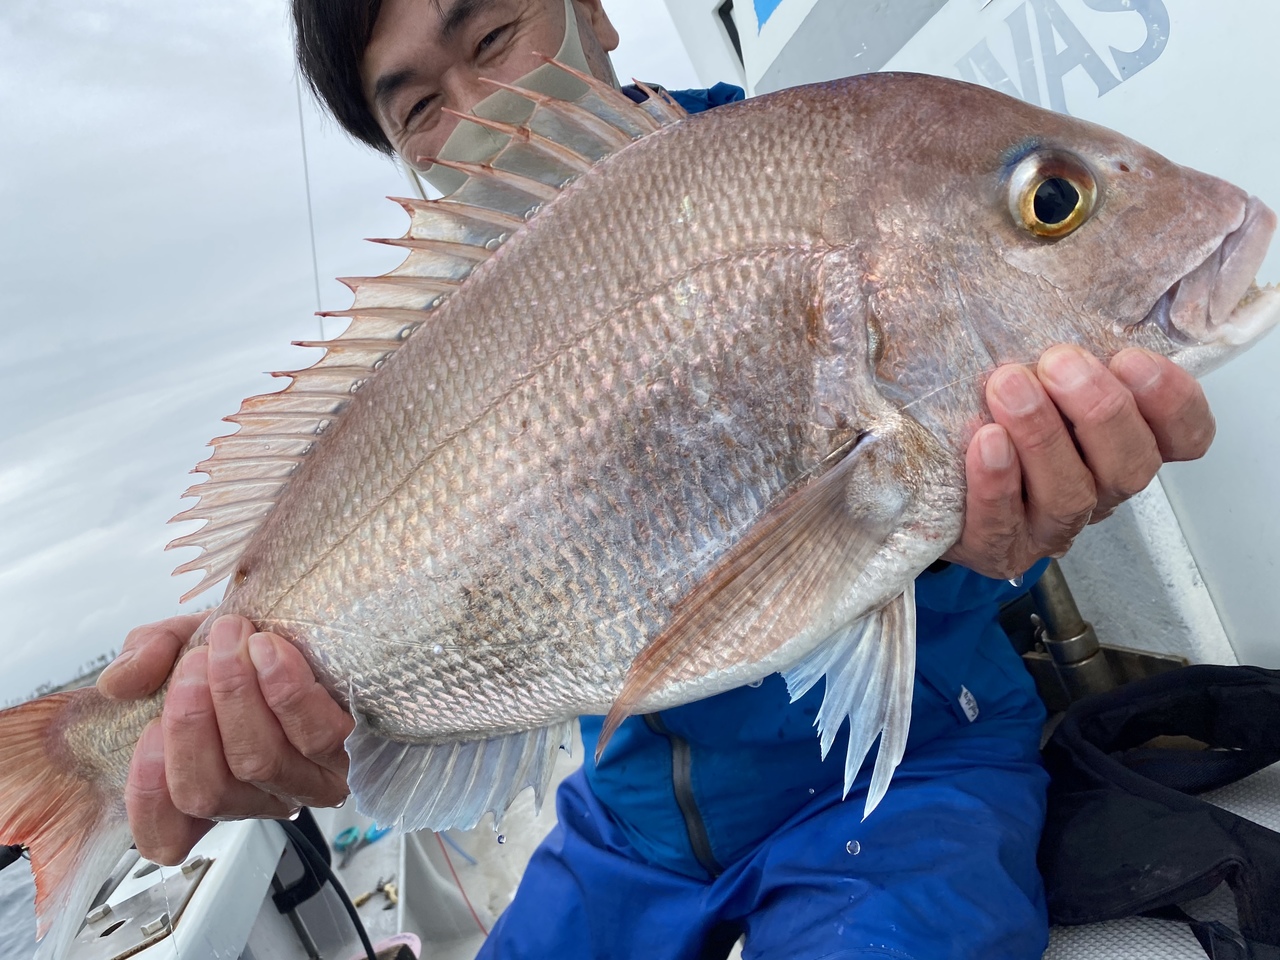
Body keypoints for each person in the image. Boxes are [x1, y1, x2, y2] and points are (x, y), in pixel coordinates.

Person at [96, 1, 1217, 957]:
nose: (485, 115)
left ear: (591, 10)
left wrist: (992, 536)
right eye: (420, 108)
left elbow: (902, 495)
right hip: (624, 821)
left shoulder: (822, 171)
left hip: (906, 771)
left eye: (491, 33)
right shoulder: (438, 352)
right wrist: (267, 697)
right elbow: (424, 600)